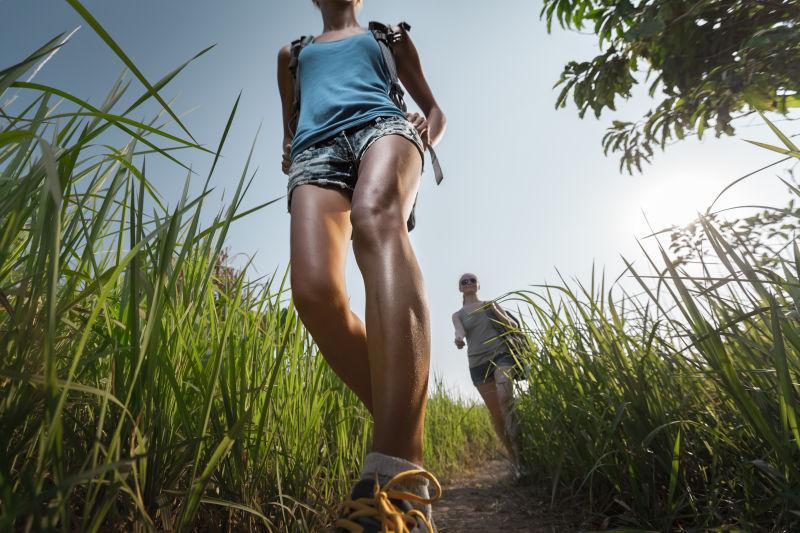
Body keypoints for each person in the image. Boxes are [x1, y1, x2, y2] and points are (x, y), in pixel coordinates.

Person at [277, 0, 446, 531]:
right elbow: (291, 126)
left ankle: (395, 478)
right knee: (314, 293)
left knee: (376, 219)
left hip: (384, 129)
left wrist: (425, 136)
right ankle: (407, 426)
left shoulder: (388, 38)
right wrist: (290, 147)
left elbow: (436, 110)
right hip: (315, 152)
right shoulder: (292, 54)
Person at [452, 273, 520, 469]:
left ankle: (522, 448)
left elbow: (512, 326)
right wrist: (458, 339)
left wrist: (495, 312)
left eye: (472, 280)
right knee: (497, 415)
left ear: (478, 285)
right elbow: (459, 331)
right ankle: (515, 459)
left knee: (506, 397)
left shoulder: (491, 304)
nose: (468, 283)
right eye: (464, 282)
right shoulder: (458, 315)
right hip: (478, 363)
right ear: (460, 289)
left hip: (501, 354)